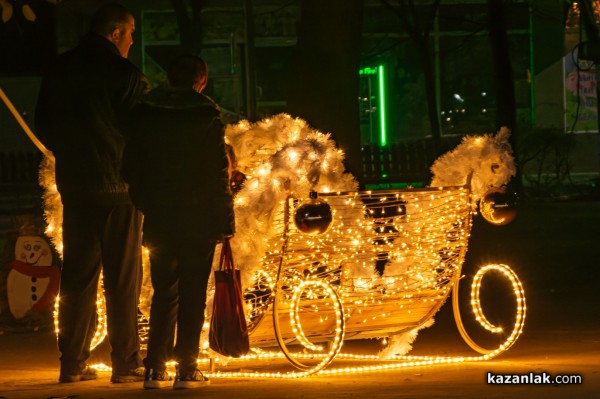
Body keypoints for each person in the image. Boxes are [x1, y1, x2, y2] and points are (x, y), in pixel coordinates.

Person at [34, 3, 149, 384]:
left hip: (77, 186)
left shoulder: (59, 70)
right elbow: (141, 132)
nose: (132, 40)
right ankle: (126, 363)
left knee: (78, 278)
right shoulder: (125, 75)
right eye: (130, 33)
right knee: (123, 280)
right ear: (115, 32)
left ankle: (72, 363)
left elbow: (44, 127)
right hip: (120, 188)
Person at [122, 55, 235, 390]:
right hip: (198, 215)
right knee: (193, 292)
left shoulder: (145, 112)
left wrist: (145, 200)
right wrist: (225, 217)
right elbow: (217, 171)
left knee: (163, 292)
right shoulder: (205, 114)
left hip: (160, 213)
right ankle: (187, 368)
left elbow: (130, 166)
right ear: (200, 80)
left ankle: (155, 368)